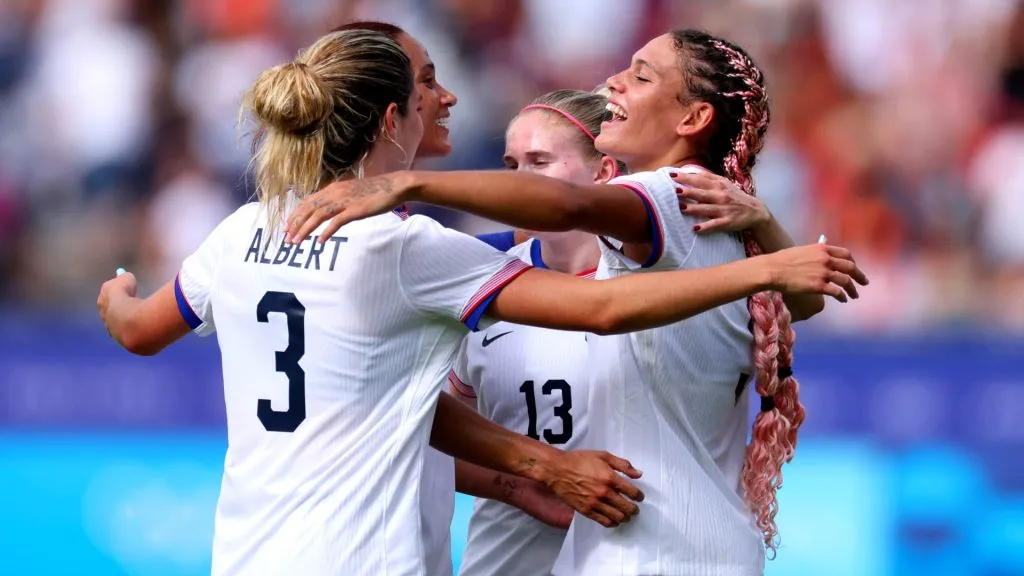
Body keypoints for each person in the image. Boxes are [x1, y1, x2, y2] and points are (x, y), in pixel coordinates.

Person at [283, 29, 866, 575]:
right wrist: (768, 233)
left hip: (650, 552)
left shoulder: (668, 193)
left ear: (693, 117)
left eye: (640, 76)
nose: (613, 81)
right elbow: (799, 305)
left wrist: (409, 184)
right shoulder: (726, 221)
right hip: (697, 548)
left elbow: (568, 210)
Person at [452, 88, 619, 576]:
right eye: (512, 165)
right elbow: (444, 437)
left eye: (540, 161)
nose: (520, 182)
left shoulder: (654, 287)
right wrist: (519, 486)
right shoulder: (475, 283)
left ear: (603, 171)